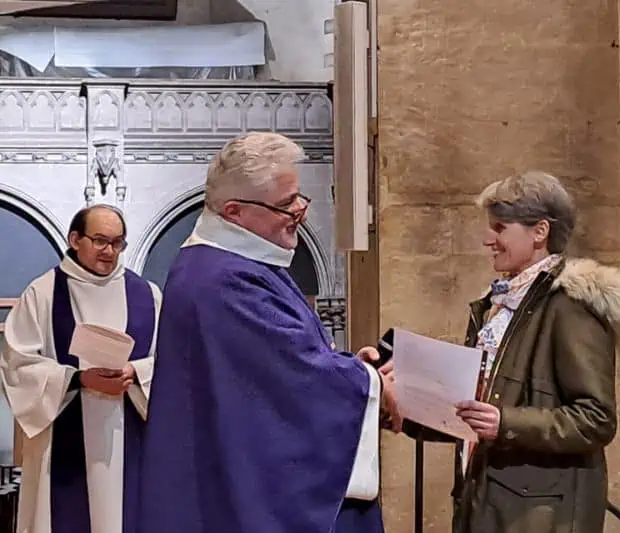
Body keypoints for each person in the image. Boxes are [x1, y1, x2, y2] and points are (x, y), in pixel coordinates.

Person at [137, 132, 400, 533]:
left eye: (299, 197)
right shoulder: (222, 281)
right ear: (234, 211)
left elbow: (285, 360)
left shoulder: (234, 264)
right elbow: (289, 381)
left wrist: (346, 366)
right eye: (284, 204)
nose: (300, 211)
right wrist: (369, 385)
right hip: (246, 497)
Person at [403, 171, 620, 533]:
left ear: (540, 232)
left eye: (499, 228)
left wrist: (505, 423)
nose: (488, 240)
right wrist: (408, 412)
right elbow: (478, 410)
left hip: (539, 515)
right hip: (490, 503)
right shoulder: (496, 304)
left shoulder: (570, 305)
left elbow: (595, 419)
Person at [0, 205, 161, 533]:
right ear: (75, 239)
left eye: (118, 243)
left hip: (129, 435)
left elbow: (172, 360)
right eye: (101, 241)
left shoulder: (147, 294)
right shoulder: (42, 293)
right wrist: (77, 378)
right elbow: (17, 363)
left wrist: (137, 372)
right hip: (64, 438)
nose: (110, 251)